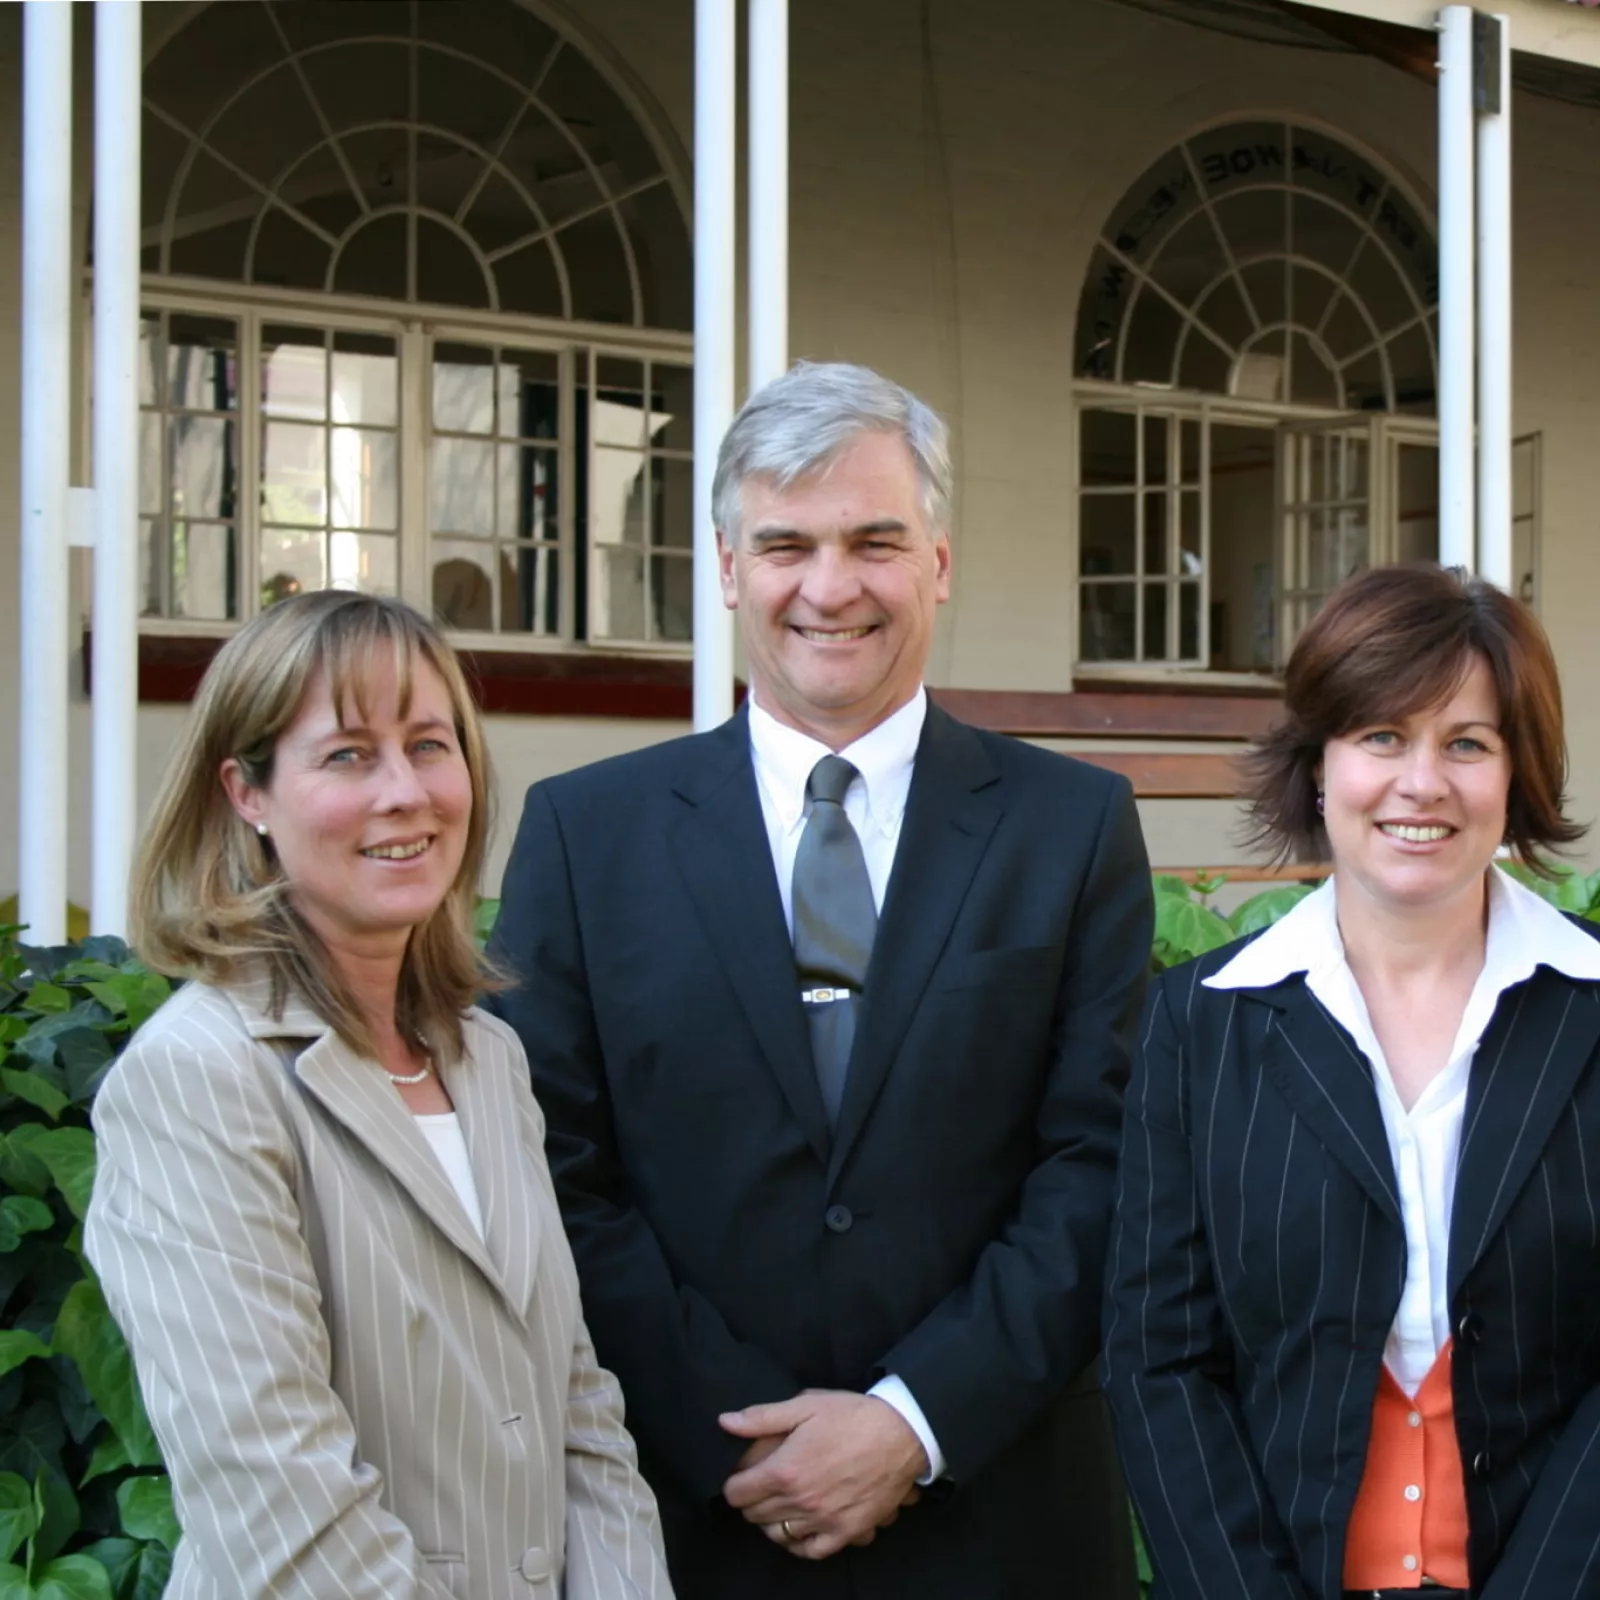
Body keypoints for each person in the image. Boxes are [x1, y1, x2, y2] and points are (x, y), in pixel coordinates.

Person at [487, 361, 1153, 1598]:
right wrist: (746, 1433)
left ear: (939, 564)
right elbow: (550, 1169)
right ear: (729, 568)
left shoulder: (1072, 827)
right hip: (692, 1518)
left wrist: (911, 1420)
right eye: (785, 544)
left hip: (996, 1512)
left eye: (875, 541)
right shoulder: (586, 835)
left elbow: (1101, 1163)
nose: (830, 586)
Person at [84, 591, 670, 1600]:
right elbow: (278, 1501)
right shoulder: (198, 1078)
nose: (405, 791)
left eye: (429, 744)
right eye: (348, 754)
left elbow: (579, 1412)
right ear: (247, 792)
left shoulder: (485, 1057)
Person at [1103, 562, 1600, 1600]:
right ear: (1319, 763)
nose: (1421, 782)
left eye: (1466, 742)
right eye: (1381, 736)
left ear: (1518, 774)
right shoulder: (1200, 1023)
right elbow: (1159, 1363)